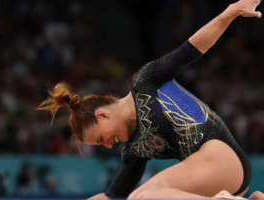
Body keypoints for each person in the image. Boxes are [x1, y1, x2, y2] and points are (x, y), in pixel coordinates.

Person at [37, 0, 264, 199]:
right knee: (144, 196)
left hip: (223, 158)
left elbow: (192, 49)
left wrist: (230, 13)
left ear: (102, 114)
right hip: (217, 182)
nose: (108, 145)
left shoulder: (145, 81)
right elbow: (112, 196)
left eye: (100, 139)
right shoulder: (135, 150)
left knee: (144, 197)